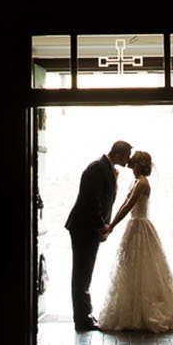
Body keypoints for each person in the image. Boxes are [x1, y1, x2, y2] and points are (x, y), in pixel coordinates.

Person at [96, 150, 173, 334]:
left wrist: (111, 226)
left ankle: (142, 314)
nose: (130, 166)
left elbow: (128, 206)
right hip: (134, 226)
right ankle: (133, 312)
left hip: (140, 226)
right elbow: (124, 203)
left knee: (143, 268)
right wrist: (111, 224)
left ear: (138, 165)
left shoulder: (142, 183)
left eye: (132, 163)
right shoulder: (136, 181)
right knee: (131, 268)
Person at [65, 139, 131, 331]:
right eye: (126, 157)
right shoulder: (98, 168)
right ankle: (82, 318)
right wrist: (100, 226)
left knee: (85, 272)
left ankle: (85, 314)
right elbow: (92, 201)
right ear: (118, 155)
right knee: (81, 273)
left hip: (89, 227)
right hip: (85, 227)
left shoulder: (106, 168)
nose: (128, 161)